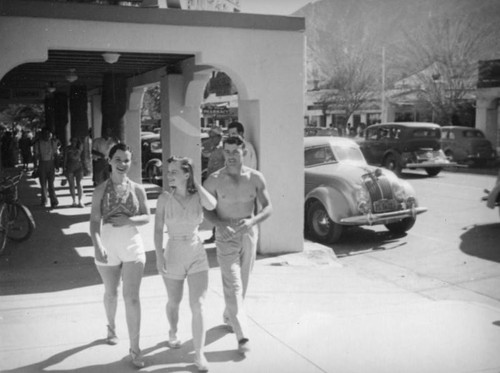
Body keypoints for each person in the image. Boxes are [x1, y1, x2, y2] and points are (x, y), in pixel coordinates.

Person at [203, 135, 272, 354]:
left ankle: (229, 314)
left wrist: (252, 221)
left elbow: (268, 207)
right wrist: (219, 224)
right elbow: (205, 208)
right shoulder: (213, 179)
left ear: (244, 152)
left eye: (235, 151)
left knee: (243, 281)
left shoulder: (255, 178)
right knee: (232, 284)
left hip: (249, 232)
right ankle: (243, 336)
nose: (231, 156)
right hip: (225, 235)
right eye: (227, 151)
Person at [89, 143, 150, 368]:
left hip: (132, 243)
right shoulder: (100, 190)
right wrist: (97, 245)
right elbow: (94, 222)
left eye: (126, 160)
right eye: (118, 159)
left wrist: (130, 220)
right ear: (109, 161)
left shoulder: (138, 188)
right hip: (108, 242)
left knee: (132, 297)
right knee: (111, 293)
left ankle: (135, 348)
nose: (123, 164)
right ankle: (111, 326)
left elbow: (146, 216)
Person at [154, 156, 216, 372]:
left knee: (198, 305)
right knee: (174, 300)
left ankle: (199, 354)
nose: (169, 175)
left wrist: (197, 184)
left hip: (196, 250)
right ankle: (173, 330)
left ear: (186, 173)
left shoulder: (198, 195)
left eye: (174, 171)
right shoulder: (164, 198)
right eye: (168, 171)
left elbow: (213, 204)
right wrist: (159, 256)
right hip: (173, 251)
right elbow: (156, 229)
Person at [33, 128, 60, 209]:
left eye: (49, 134)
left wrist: (57, 165)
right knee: (43, 184)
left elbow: (56, 154)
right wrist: (35, 166)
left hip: (51, 163)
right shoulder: (38, 143)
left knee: (51, 184)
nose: (48, 136)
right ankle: (44, 200)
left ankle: (53, 201)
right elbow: (35, 156)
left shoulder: (53, 142)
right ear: (42, 135)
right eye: (46, 134)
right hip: (42, 164)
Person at [63, 137, 85, 207]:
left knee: (79, 183)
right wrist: (64, 168)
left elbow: (82, 157)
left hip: (79, 167)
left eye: (75, 141)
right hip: (70, 167)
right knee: (71, 184)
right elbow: (65, 158)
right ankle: (74, 201)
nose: (74, 143)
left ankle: (80, 200)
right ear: (70, 141)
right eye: (73, 141)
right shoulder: (67, 149)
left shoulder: (79, 148)